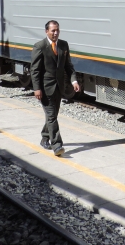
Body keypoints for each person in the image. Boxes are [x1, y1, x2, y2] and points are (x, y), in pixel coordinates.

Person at [31, 20, 81, 156]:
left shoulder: (63, 45)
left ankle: (44, 137)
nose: (56, 33)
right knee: (52, 116)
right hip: (45, 88)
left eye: (57, 30)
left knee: (52, 116)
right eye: (53, 30)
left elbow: (68, 66)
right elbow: (35, 70)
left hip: (59, 87)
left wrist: (74, 81)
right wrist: (36, 88)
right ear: (46, 31)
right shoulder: (40, 46)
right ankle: (57, 145)